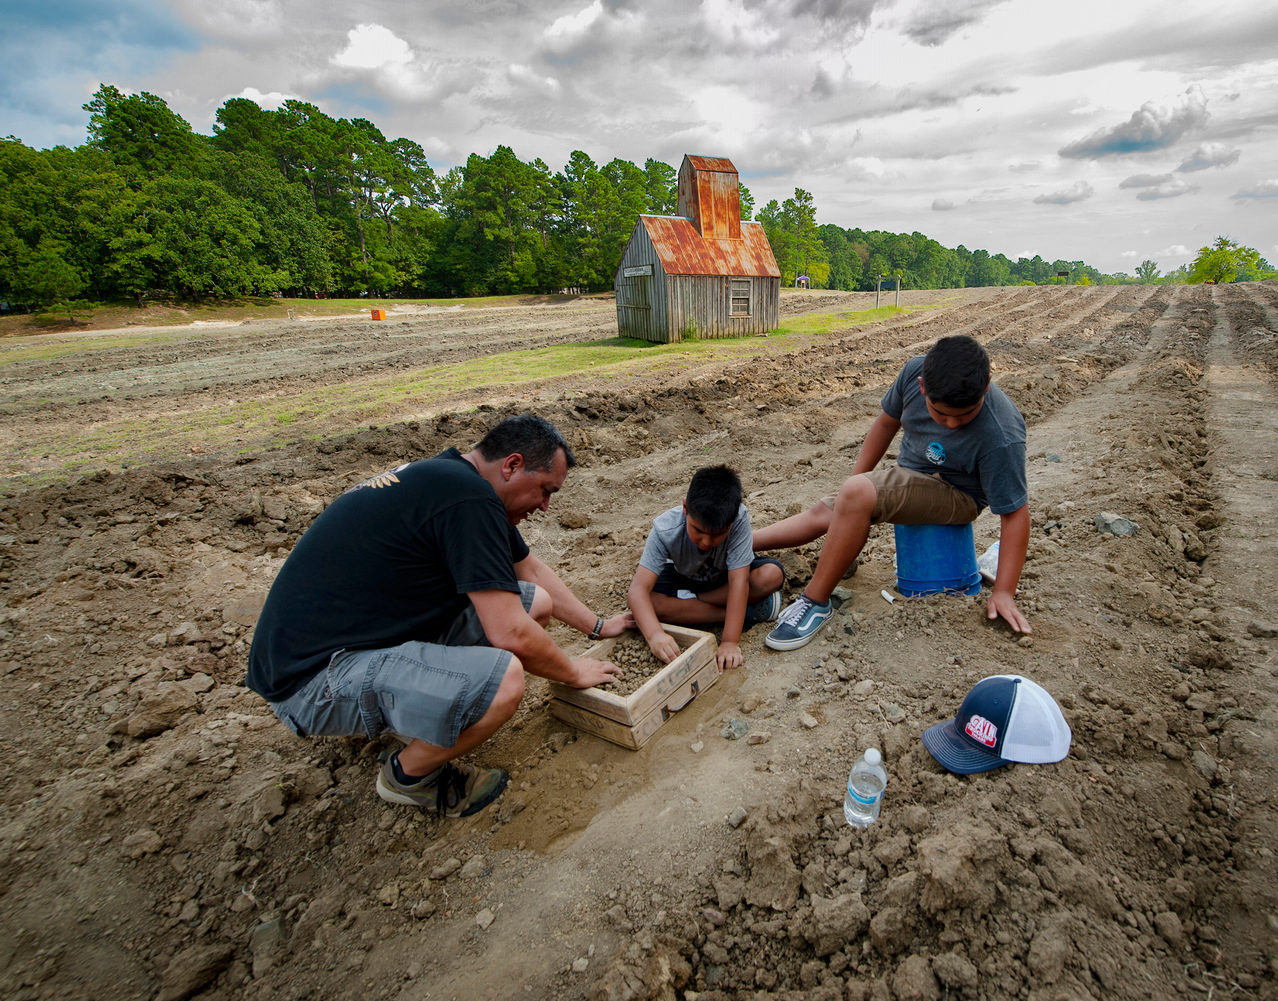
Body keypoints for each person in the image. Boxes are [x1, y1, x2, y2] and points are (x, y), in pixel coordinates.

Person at [246, 415, 631, 818]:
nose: (545, 506)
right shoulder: (469, 499)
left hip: (348, 641)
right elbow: (511, 635)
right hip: (310, 682)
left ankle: (416, 709)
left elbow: (530, 571)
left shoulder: (455, 480)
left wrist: (598, 626)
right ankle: (408, 776)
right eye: (545, 490)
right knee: (504, 680)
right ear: (512, 465)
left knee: (533, 602)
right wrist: (572, 671)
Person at [753, 334, 1031, 651]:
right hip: (912, 475)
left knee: (856, 494)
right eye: (941, 414)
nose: (952, 424)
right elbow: (886, 424)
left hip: (959, 495)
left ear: (986, 387)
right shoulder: (913, 374)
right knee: (825, 511)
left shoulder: (1001, 433)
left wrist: (1004, 591)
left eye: (965, 415)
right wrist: (853, 489)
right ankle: (742, 542)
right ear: (923, 386)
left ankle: (815, 603)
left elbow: (1015, 514)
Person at [627, 465, 786, 672]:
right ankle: (745, 614)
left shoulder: (738, 519)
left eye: (718, 534)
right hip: (685, 578)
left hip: (723, 581)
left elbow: (739, 581)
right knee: (649, 604)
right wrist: (655, 634)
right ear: (685, 508)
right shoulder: (665, 529)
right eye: (698, 530)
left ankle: (695, 606)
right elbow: (638, 590)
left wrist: (729, 642)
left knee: (771, 575)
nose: (706, 541)